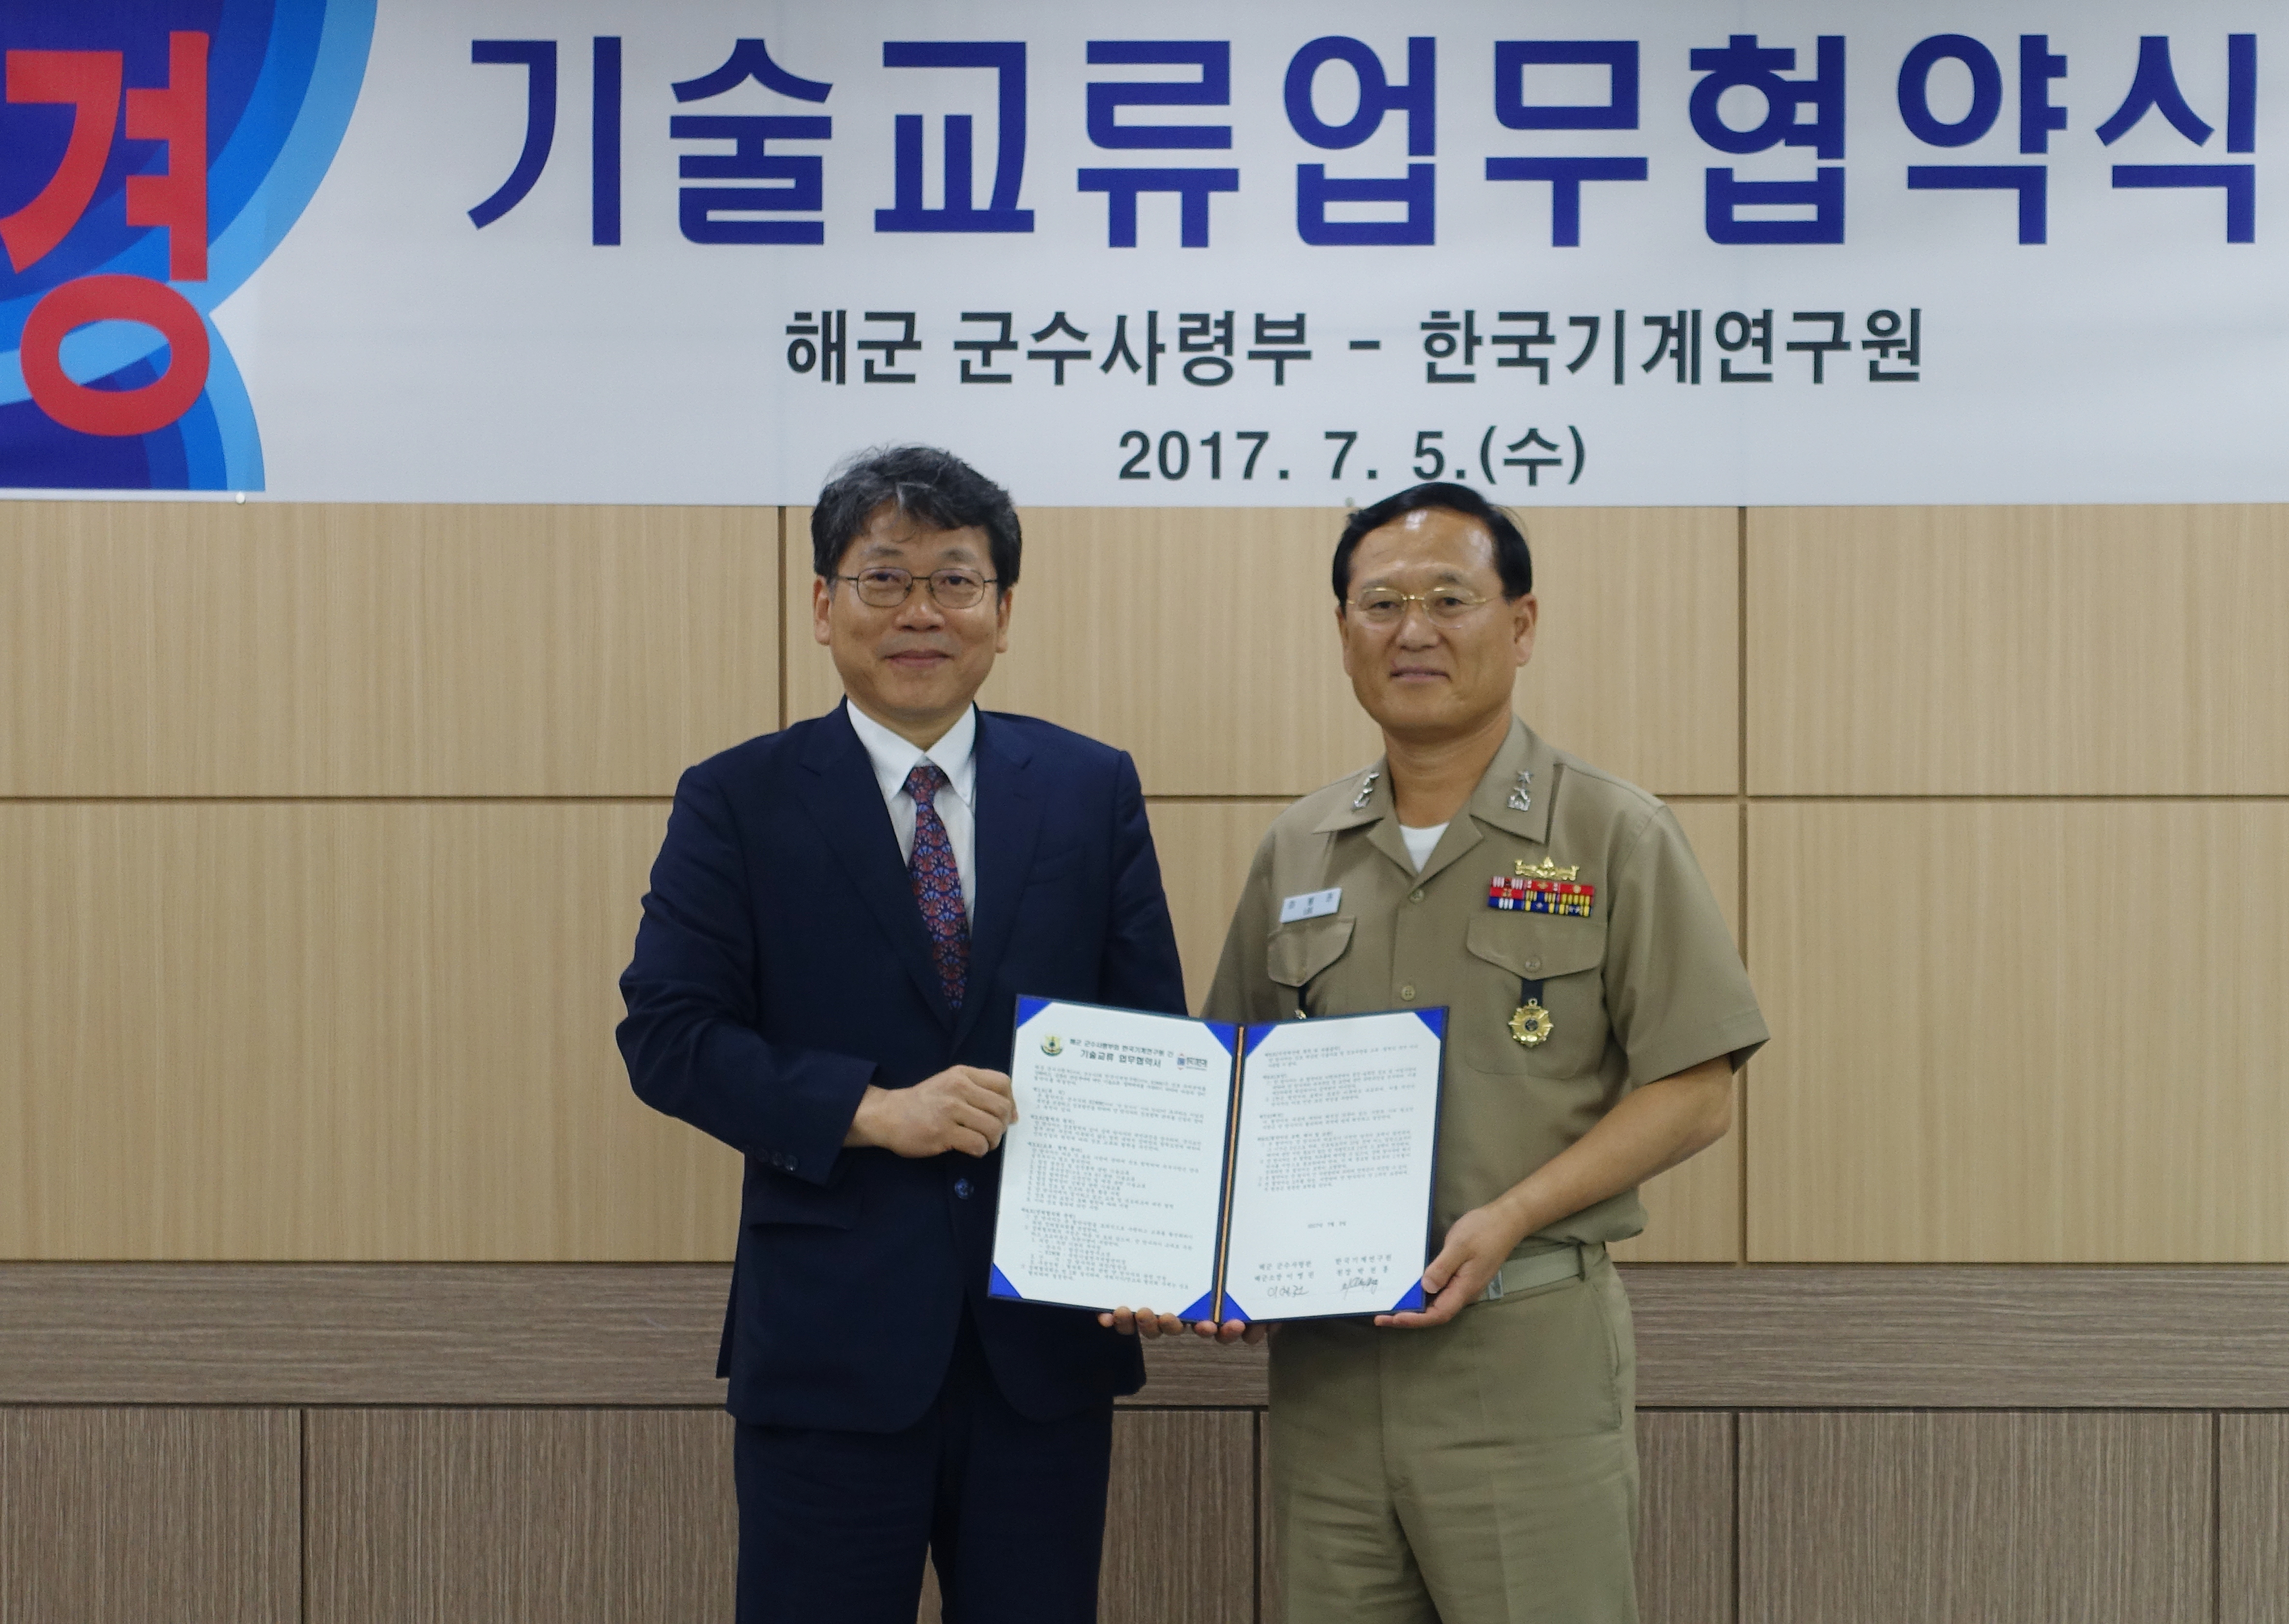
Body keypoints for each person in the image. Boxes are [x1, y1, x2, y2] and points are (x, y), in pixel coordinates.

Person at [617, 444, 1185, 1624]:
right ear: (823, 606)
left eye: (956, 580)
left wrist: (1160, 1239)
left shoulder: (1090, 789)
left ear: (1003, 610)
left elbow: (1150, 1041)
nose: (922, 611)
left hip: (1046, 1346)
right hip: (830, 1356)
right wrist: (874, 1112)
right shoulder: (739, 798)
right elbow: (667, 1036)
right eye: (885, 578)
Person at [1202, 482, 1767, 1624]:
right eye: (1381, 604)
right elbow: (1233, 1088)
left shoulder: (1613, 831)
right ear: (1345, 631)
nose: (1414, 631)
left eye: (1449, 598)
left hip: (1525, 1358)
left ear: (1520, 624)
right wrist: (1208, 1253)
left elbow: (1696, 1091)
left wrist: (1510, 1213)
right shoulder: (1298, 844)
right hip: (1327, 1371)